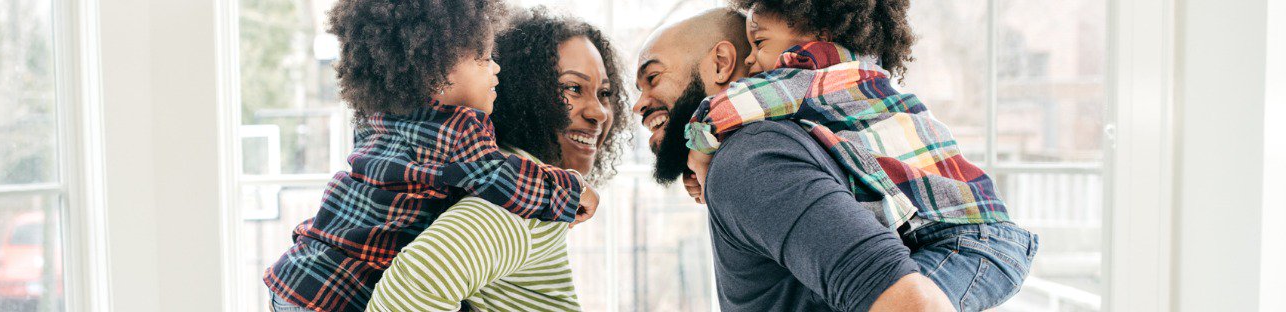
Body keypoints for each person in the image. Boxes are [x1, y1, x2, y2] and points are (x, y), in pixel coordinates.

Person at [678, 1, 1039, 310]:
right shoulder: (854, 87)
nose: (752, 61)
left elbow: (733, 106)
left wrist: (700, 153)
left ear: (818, 31)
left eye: (758, 42)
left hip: (973, 242)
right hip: (959, 237)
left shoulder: (816, 74)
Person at [261, 1, 599, 311]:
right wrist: (571, 191)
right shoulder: (461, 128)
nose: (497, 69)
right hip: (340, 294)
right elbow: (501, 178)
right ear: (436, 74)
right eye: (483, 58)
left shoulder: (377, 120)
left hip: (295, 277)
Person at [635, 8, 963, 312]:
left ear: (721, 62)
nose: (638, 105)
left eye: (653, 78)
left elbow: (916, 305)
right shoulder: (796, 143)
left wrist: (707, 158)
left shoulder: (751, 159)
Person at [366, 7, 630, 311]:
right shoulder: (523, 199)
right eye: (573, 88)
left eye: (605, 92)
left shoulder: (494, 177)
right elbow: (408, 294)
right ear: (523, 91)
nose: (599, 112)